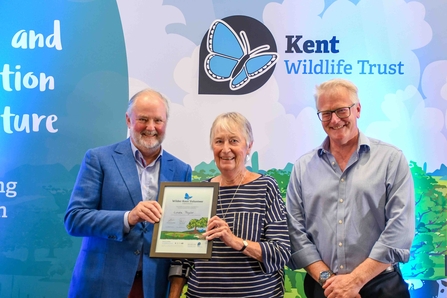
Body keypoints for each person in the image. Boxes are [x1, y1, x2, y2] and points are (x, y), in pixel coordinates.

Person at [286, 78, 415, 298]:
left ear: (358, 110)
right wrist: (332, 282)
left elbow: (400, 229)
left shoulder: (391, 160)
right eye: (326, 113)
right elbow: (295, 232)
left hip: (383, 286)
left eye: (342, 111)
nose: (334, 120)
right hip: (325, 287)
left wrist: (355, 281)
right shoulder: (302, 168)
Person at [64, 88, 192, 298]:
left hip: (154, 287)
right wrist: (128, 218)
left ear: (166, 123)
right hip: (102, 285)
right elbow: (74, 219)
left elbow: (182, 237)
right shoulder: (99, 159)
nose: (151, 127)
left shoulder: (181, 170)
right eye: (143, 119)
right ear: (128, 120)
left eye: (158, 120)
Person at [168, 112, 291, 298]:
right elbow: (182, 259)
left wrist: (235, 241)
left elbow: (281, 252)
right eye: (219, 141)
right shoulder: (199, 193)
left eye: (234, 141)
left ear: (249, 146)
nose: (226, 149)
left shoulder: (266, 187)